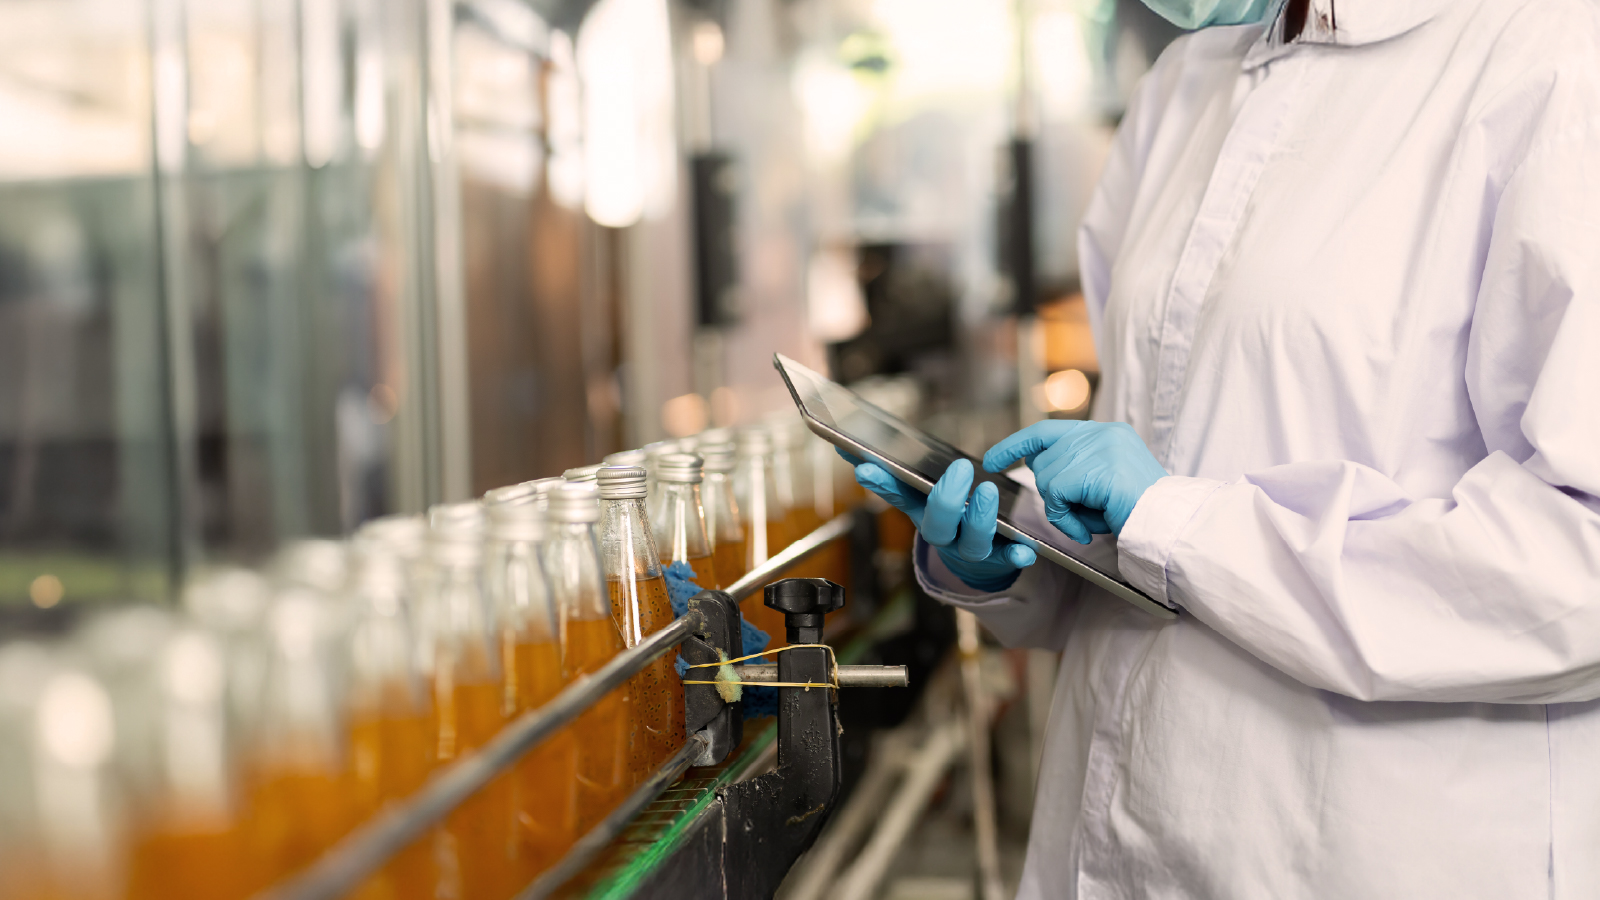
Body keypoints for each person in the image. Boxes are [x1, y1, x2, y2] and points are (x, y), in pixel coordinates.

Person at [848, 0, 1600, 896]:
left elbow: (1575, 570)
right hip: (1118, 835)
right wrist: (1020, 554)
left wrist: (1177, 523)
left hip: (1359, 850)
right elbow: (1151, 485)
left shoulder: (1552, 62)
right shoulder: (1185, 83)